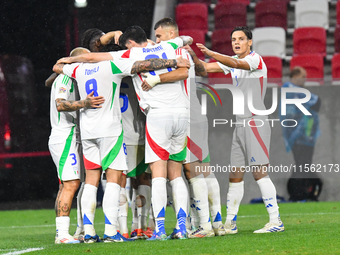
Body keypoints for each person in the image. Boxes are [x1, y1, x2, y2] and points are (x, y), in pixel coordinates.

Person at [53, 41, 189, 243]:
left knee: (91, 182)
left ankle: (89, 232)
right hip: (109, 130)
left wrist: (70, 62)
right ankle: (110, 232)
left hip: (88, 131)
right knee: (114, 180)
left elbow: (57, 67)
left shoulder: (76, 70)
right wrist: (173, 61)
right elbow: (144, 65)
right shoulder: (112, 65)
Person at [197, 26, 284, 233]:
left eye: (241, 39)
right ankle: (231, 224)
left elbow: (235, 62)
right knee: (235, 175)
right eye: (233, 39)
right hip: (240, 123)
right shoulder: (232, 63)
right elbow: (204, 69)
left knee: (260, 173)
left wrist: (211, 53)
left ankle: (276, 221)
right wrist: (189, 54)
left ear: (250, 42)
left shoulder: (254, 60)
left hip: (256, 121)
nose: (236, 42)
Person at [152, 17, 225, 238]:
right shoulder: (184, 52)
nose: (156, 41)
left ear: (171, 35)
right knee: (205, 169)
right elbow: (202, 71)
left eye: (159, 36)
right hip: (196, 115)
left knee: (193, 171)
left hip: (187, 116)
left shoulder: (174, 55)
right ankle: (218, 222)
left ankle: (204, 225)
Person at [49, 47, 105, 244]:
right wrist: (85, 103)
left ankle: (65, 232)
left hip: (71, 136)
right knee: (71, 184)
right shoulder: (65, 79)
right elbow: (60, 104)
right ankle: (62, 235)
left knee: (69, 184)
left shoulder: (73, 78)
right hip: (65, 136)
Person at [280, 66, 322, 201]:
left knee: (303, 165)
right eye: (302, 77)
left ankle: (304, 192)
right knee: (302, 164)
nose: (305, 80)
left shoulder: (298, 93)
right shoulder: (289, 88)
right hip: (298, 137)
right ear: (295, 76)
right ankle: (298, 194)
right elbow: (316, 101)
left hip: (306, 137)